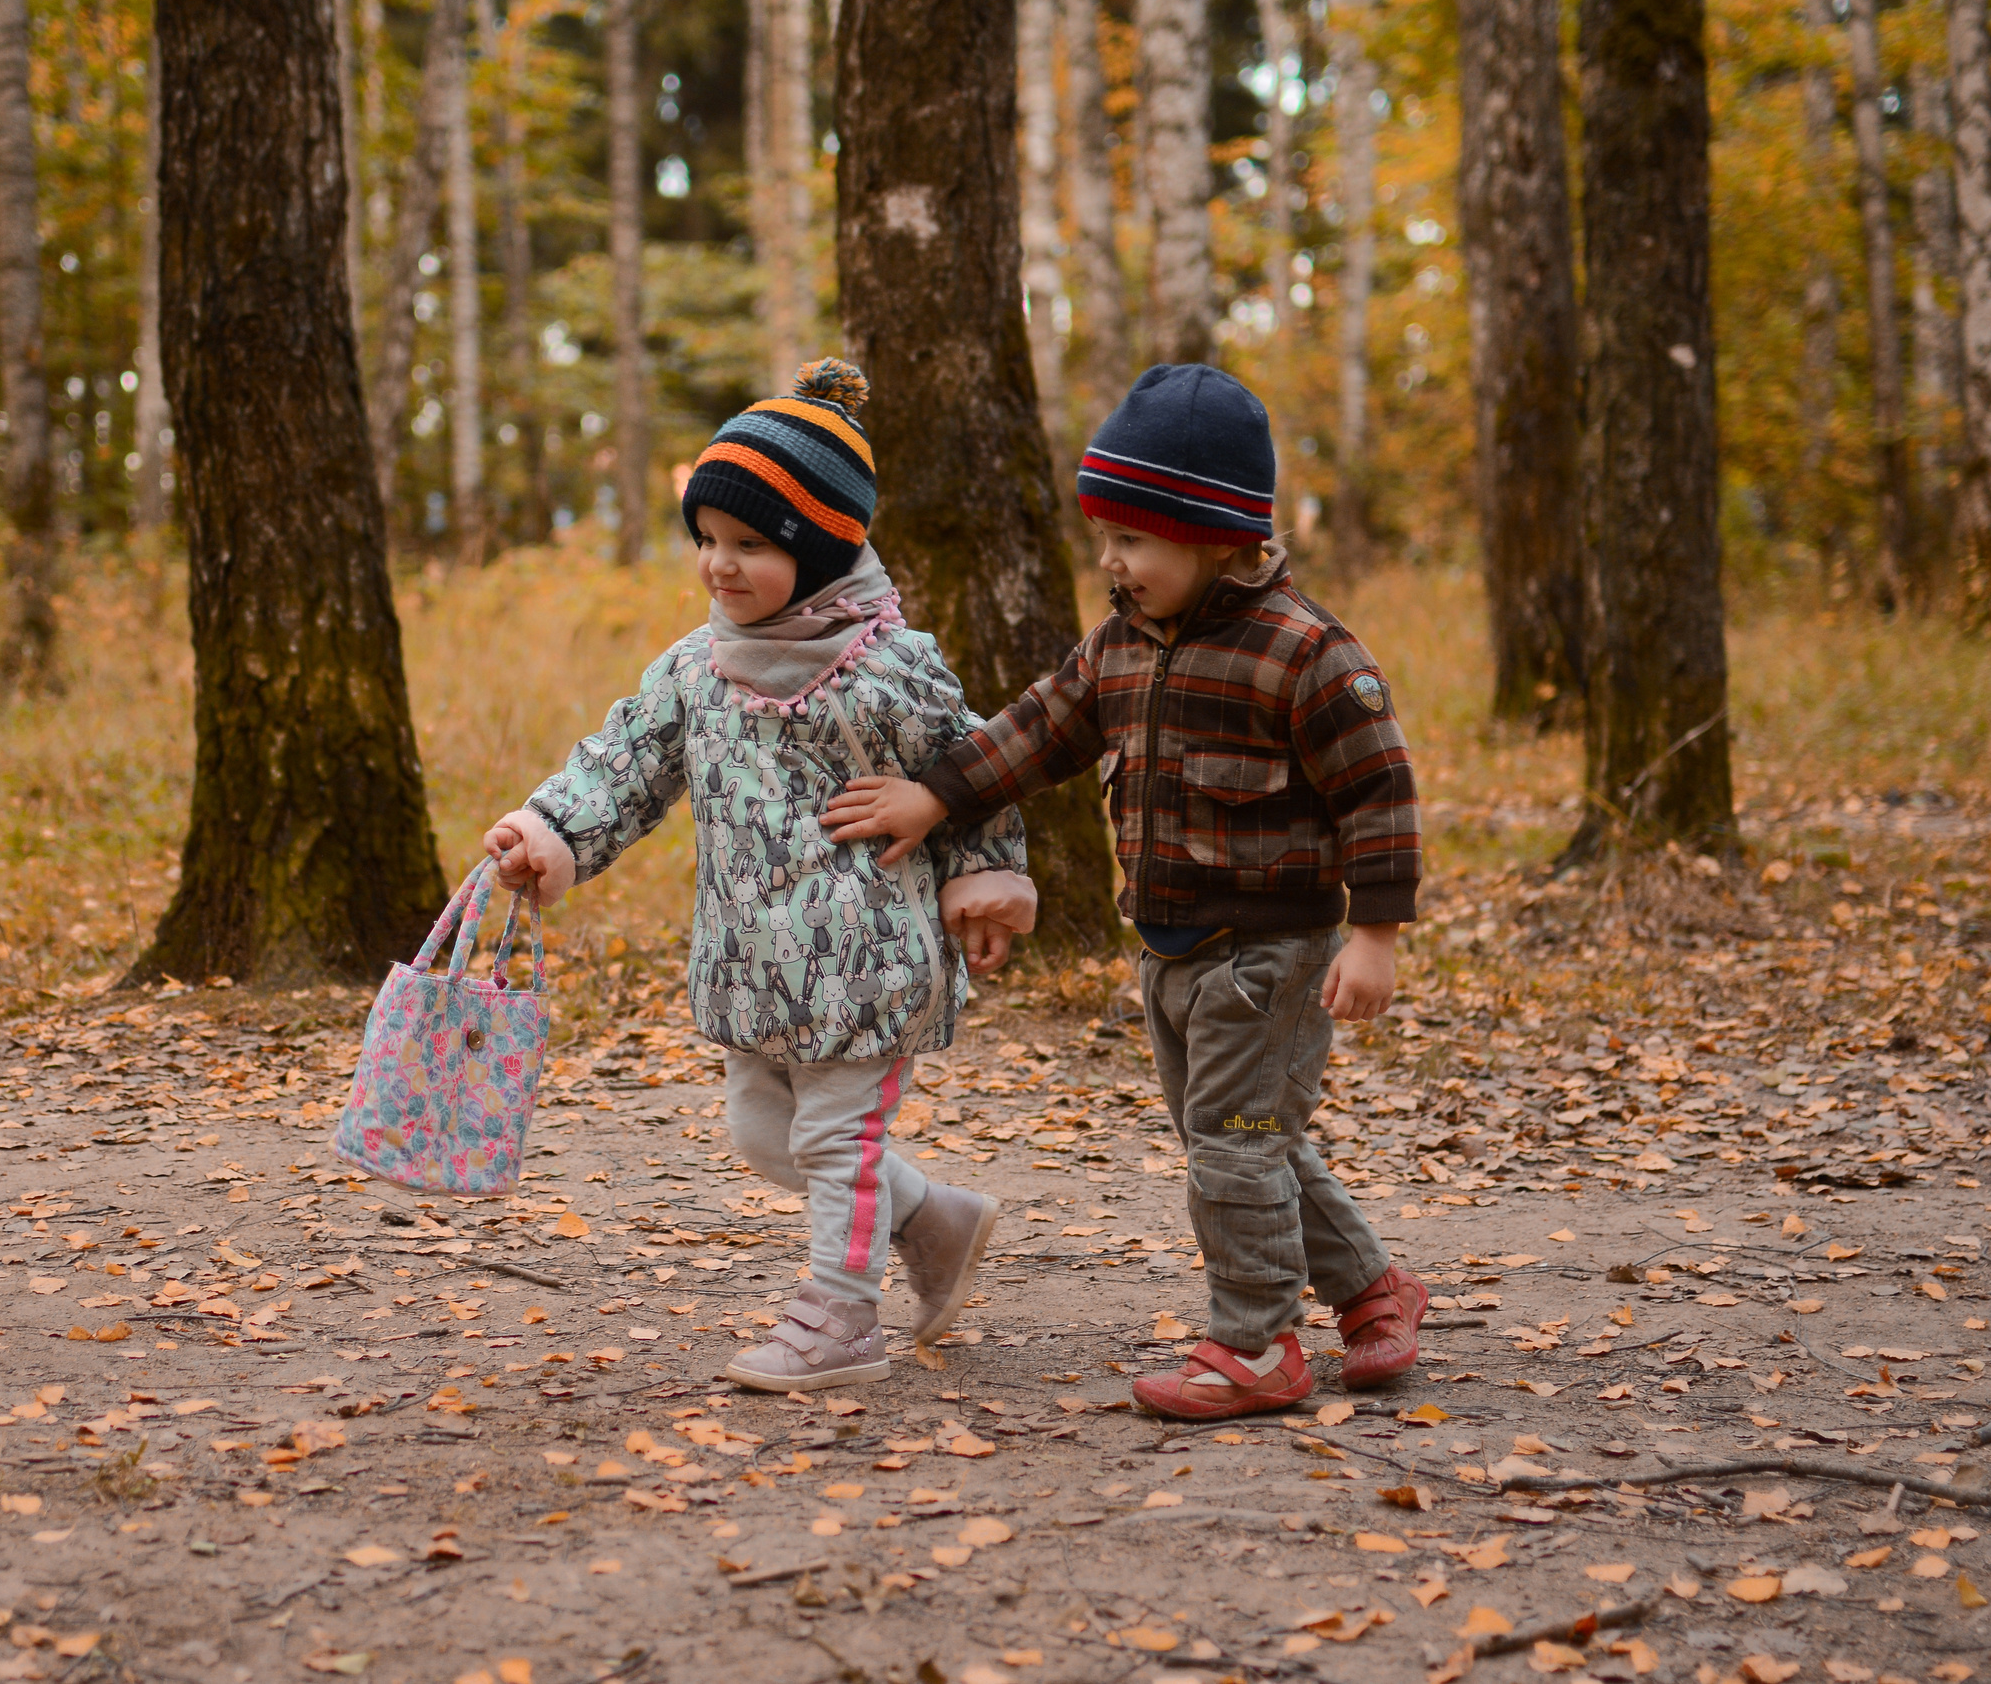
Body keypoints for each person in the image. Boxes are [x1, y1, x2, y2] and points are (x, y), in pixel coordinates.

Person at [819, 363, 1426, 1421]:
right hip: (1173, 955)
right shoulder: (1118, 650)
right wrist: (931, 796)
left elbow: (1378, 793)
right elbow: (1036, 730)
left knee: (1234, 1149)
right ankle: (1372, 1288)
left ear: (1220, 537)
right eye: (1106, 536)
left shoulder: (1305, 655)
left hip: (1269, 955)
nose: (1112, 561)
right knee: (1241, 1139)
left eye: (1136, 540)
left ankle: (1255, 1341)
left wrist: (1371, 936)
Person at [485, 359, 1039, 1393]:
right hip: (753, 960)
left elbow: (971, 768)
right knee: (761, 1135)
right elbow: (625, 767)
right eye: (707, 540)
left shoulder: (887, 666)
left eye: (750, 545)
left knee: (835, 1139)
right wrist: (548, 833)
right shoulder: (698, 669)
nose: (719, 567)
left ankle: (840, 1316)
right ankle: (933, 1219)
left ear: (823, 550)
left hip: (867, 956)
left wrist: (985, 876)